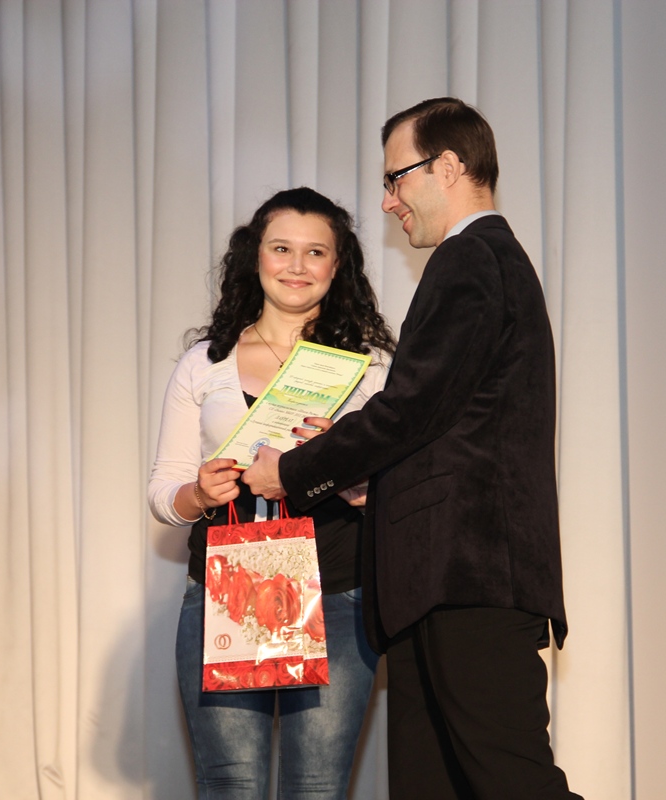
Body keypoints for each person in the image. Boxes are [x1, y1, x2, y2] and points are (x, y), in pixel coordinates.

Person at [243, 98, 579, 799]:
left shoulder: (471, 258)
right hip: (444, 580)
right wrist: (370, 482)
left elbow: (408, 409)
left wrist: (293, 472)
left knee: (513, 784)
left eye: (396, 178)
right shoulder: (485, 261)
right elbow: (447, 424)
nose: (388, 201)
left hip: (470, 578)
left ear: (448, 167)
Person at [148, 187, 396, 799]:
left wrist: (352, 477)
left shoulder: (369, 369)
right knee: (230, 785)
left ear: (337, 265)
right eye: (281, 248)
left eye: (316, 252)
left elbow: (395, 491)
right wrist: (199, 494)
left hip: (337, 593)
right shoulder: (205, 363)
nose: (296, 266)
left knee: (318, 788)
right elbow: (163, 492)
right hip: (224, 591)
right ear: (254, 255)